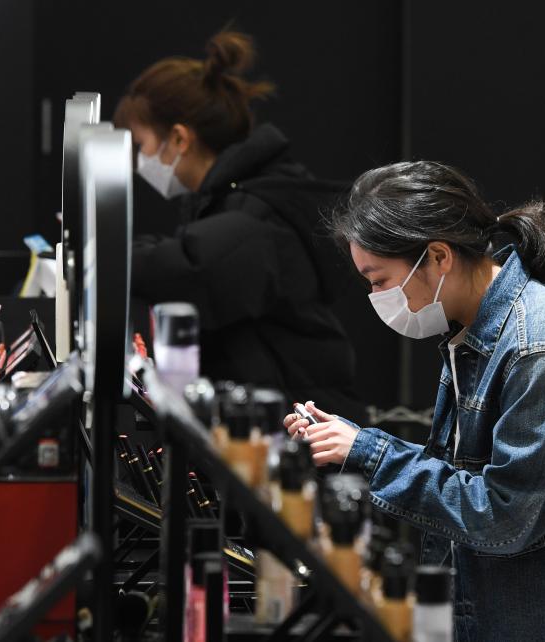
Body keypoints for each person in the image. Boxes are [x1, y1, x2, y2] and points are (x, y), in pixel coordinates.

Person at [283, 161, 545, 641]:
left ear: (438, 256)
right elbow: (464, 482)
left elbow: (502, 516)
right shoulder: (472, 332)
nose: (375, 296)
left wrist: (370, 454)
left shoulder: (539, 348)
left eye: (379, 280)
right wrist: (349, 445)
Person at [114, 31, 364, 422]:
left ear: (178, 138)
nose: (139, 161)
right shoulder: (237, 197)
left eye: (141, 145)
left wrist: (106, 253)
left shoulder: (257, 211)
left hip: (302, 423)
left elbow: (191, 268)